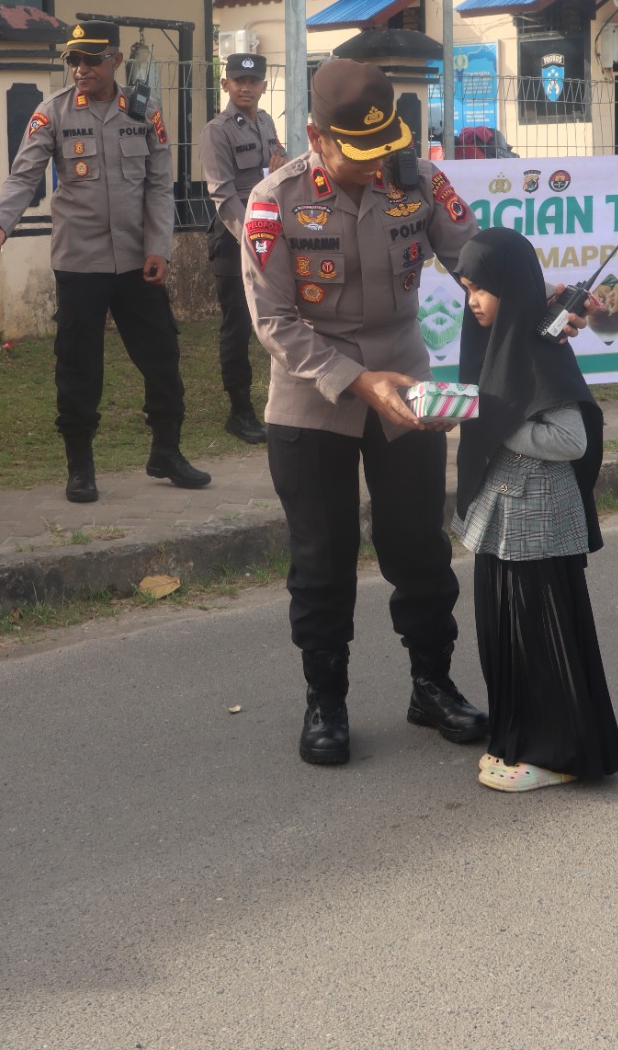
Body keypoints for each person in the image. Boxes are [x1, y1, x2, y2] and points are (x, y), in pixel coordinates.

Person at [242, 57, 488, 768]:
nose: (377, 166)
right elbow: (276, 323)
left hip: (405, 389)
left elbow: (467, 252)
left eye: (387, 149)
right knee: (322, 558)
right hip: (310, 395)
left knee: (419, 546)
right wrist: (356, 381)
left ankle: (432, 685)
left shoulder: (417, 179)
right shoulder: (275, 202)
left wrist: (491, 285)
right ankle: (326, 701)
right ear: (317, 137)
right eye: (360, 153)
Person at [0, 20, 210, 503]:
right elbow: (24, 177)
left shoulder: (145, 112)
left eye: (91, 59)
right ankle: (80, 466)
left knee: (162, 356)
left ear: (116, 61)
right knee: (79, 366)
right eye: (73, 60)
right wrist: (1, 222)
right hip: (80, 262)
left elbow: (160, 185)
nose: (80, 69)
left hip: (138, 261)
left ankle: (166, 450)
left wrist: (159, 247)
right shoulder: (52, 112)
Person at [452, 227, 618, 793]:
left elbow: (571, 438)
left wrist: (495, 422)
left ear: (511, 286)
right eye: (465, 287)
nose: (471, 299)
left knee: (538, 641)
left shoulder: (535, 347)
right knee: (505, 637)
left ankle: (555, 753)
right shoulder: (496, 339)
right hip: (503, 524)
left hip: (539, 526)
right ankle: (520, 740)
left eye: (481, 288)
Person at [199, 53, 285, 444]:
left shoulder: (266, 122)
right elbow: (223, 194)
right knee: (238, 327)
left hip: (268, 235)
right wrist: (252, 240)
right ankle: (240, 411)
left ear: (264, 85)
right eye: (238, 81)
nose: (245, 88)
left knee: (275, 318)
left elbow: (274, 171)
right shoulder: (216, 131)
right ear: (226, 86)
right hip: (235, 237)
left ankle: (281, 403)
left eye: (252, 82)